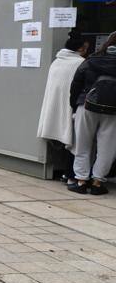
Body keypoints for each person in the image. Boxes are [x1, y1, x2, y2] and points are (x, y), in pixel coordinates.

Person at [37, 32, 91, 181]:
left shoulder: (57, 61)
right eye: (85, 48)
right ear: (80, 49)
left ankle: (65, 173)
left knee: (66, 139)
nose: (86, 51)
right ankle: (71, 175)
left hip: (55, 109)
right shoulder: (80, 63)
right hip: (72, 108)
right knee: (74, 142)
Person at [68, 30, 116, 195]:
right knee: (107, 147)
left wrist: (74, 104)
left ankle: (81, 181)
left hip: (86, 105)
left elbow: (75, 84)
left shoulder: (91, 60)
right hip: (113, 111)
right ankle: (97, 183)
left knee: (82, 144)